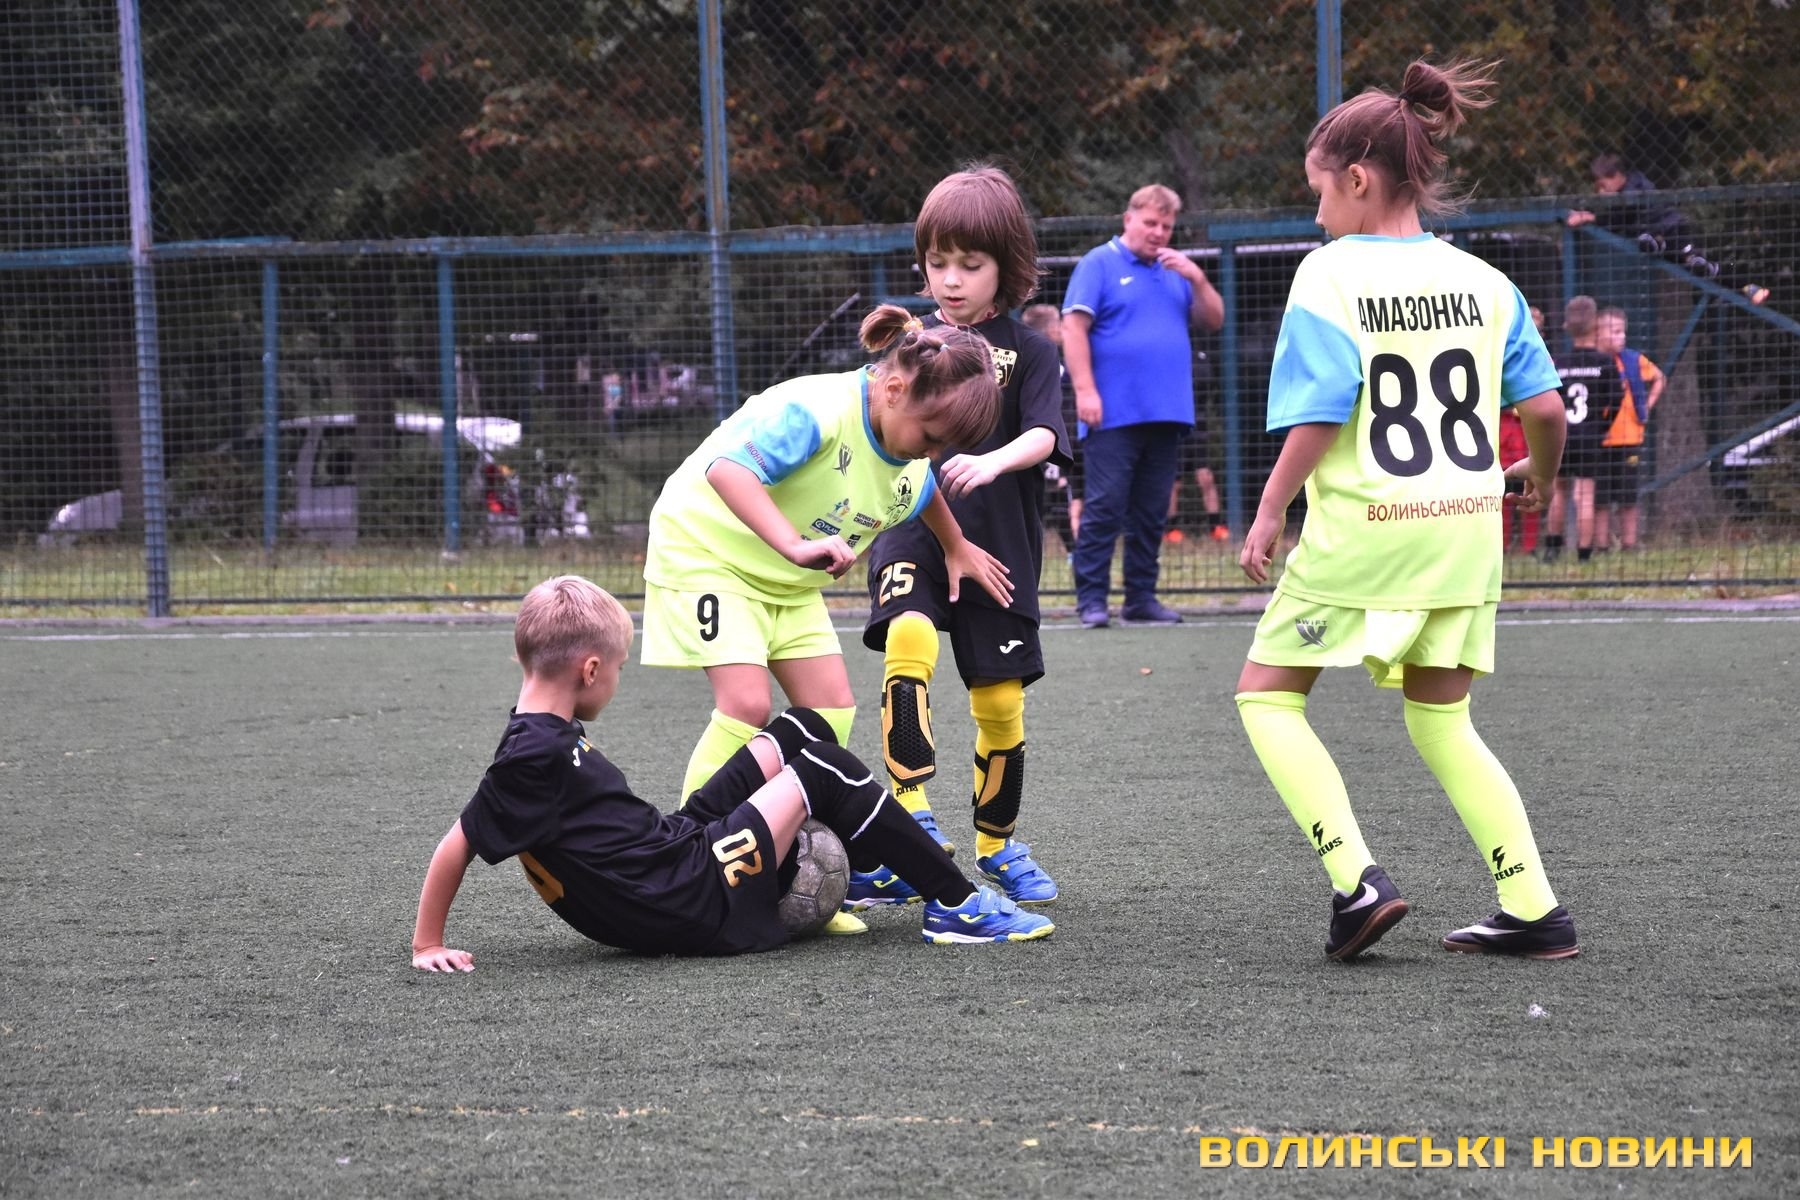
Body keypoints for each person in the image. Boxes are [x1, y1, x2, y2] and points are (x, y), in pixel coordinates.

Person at [1235, 58, 1578, 962]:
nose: (1317, 215)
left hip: (1370, 529)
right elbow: (1547, 410)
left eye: (1320, 192)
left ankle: (1357, 882)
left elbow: (1319, 416)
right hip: (1467, 528)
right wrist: (1538, 477)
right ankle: (1533, 907)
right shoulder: (1485, 281)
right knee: (1442, 719)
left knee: (1266, 698)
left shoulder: (1327, 275)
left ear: (1357, 180)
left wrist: (1269, 510)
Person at [409, 575, 1052, 971]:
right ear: (590, 670)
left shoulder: (540, 734)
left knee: (801, 728)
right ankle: (956, 904)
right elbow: (457, 843)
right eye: (620, 668)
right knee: (822, 769)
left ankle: (872, 867)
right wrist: (426, 944)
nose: (617, 680)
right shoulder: (531, 757)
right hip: (685, 894)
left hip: (672, 852)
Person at [641, 306, 1013, 935]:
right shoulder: (814, 412)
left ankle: (791, 870)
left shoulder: (904, 444)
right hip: (706, 553)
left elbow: (922, 490)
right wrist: (792, 544)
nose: (932, 454)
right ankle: (691, 863)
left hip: (784, 576)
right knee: (746, 704)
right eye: (930, 437)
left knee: (829, 711)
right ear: (893, 388)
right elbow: (727, 470)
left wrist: (956, 547)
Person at [860, 167, 1070, 907]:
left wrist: (991, 459)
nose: (950, 280)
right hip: (913, 529)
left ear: (1005, 267)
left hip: (1000, 549)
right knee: (908, 636)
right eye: (937, 262)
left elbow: (1047, 434)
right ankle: (908, 819)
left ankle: (997, 845)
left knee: (1001, 702)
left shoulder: (1032, 350)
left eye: (970, 265)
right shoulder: (909, 345)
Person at [1063, 184, 1225, 628]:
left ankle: (1140, 599)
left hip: (1168, 414)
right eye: (1150, 223)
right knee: (1105, 507)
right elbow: (1073, 328)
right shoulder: (1098, 263)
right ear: (1128, 219)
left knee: (1152, 513)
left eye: (1166, 226)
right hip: (1112, 414)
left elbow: (1214, 318)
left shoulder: (1176, 270)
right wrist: (1086, 391)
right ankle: (1091, 601)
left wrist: (1197, 278)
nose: (1158, 233)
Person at [1543, 296, 1620, 563]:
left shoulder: (1559, 363)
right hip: (1590, 437)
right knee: (1585, 495)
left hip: (1562, 437)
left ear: (1567, 326)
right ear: (1596, 325)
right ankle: (1584, 554)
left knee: (1558, 490)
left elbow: (1550, 398)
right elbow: (1617, 399)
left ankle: (1552, 549)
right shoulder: (1605, 363)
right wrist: (1603, 426)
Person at [1595, 306, 1666, 550]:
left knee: (1628, 496)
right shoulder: (1593, 362)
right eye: (1615, 331)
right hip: (1600, 441)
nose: (1621, 336)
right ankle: (1601, 546)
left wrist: (1646, 405)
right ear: (1598, 332)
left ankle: (1629, 544)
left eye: (1623, 331)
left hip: (1630, 438)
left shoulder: (1633, 360)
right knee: (1600, 499)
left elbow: (1659, 378)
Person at [1021, 302, 1081, 554]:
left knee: (1059, 493)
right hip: (1049, 438)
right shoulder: (1048, 364)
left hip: (1055, 437)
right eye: (1058, 324)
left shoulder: (1046, 360)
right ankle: (1072, 552)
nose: (1062, 328)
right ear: (1050, 330)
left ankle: (1072, 551)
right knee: (1055, 494)